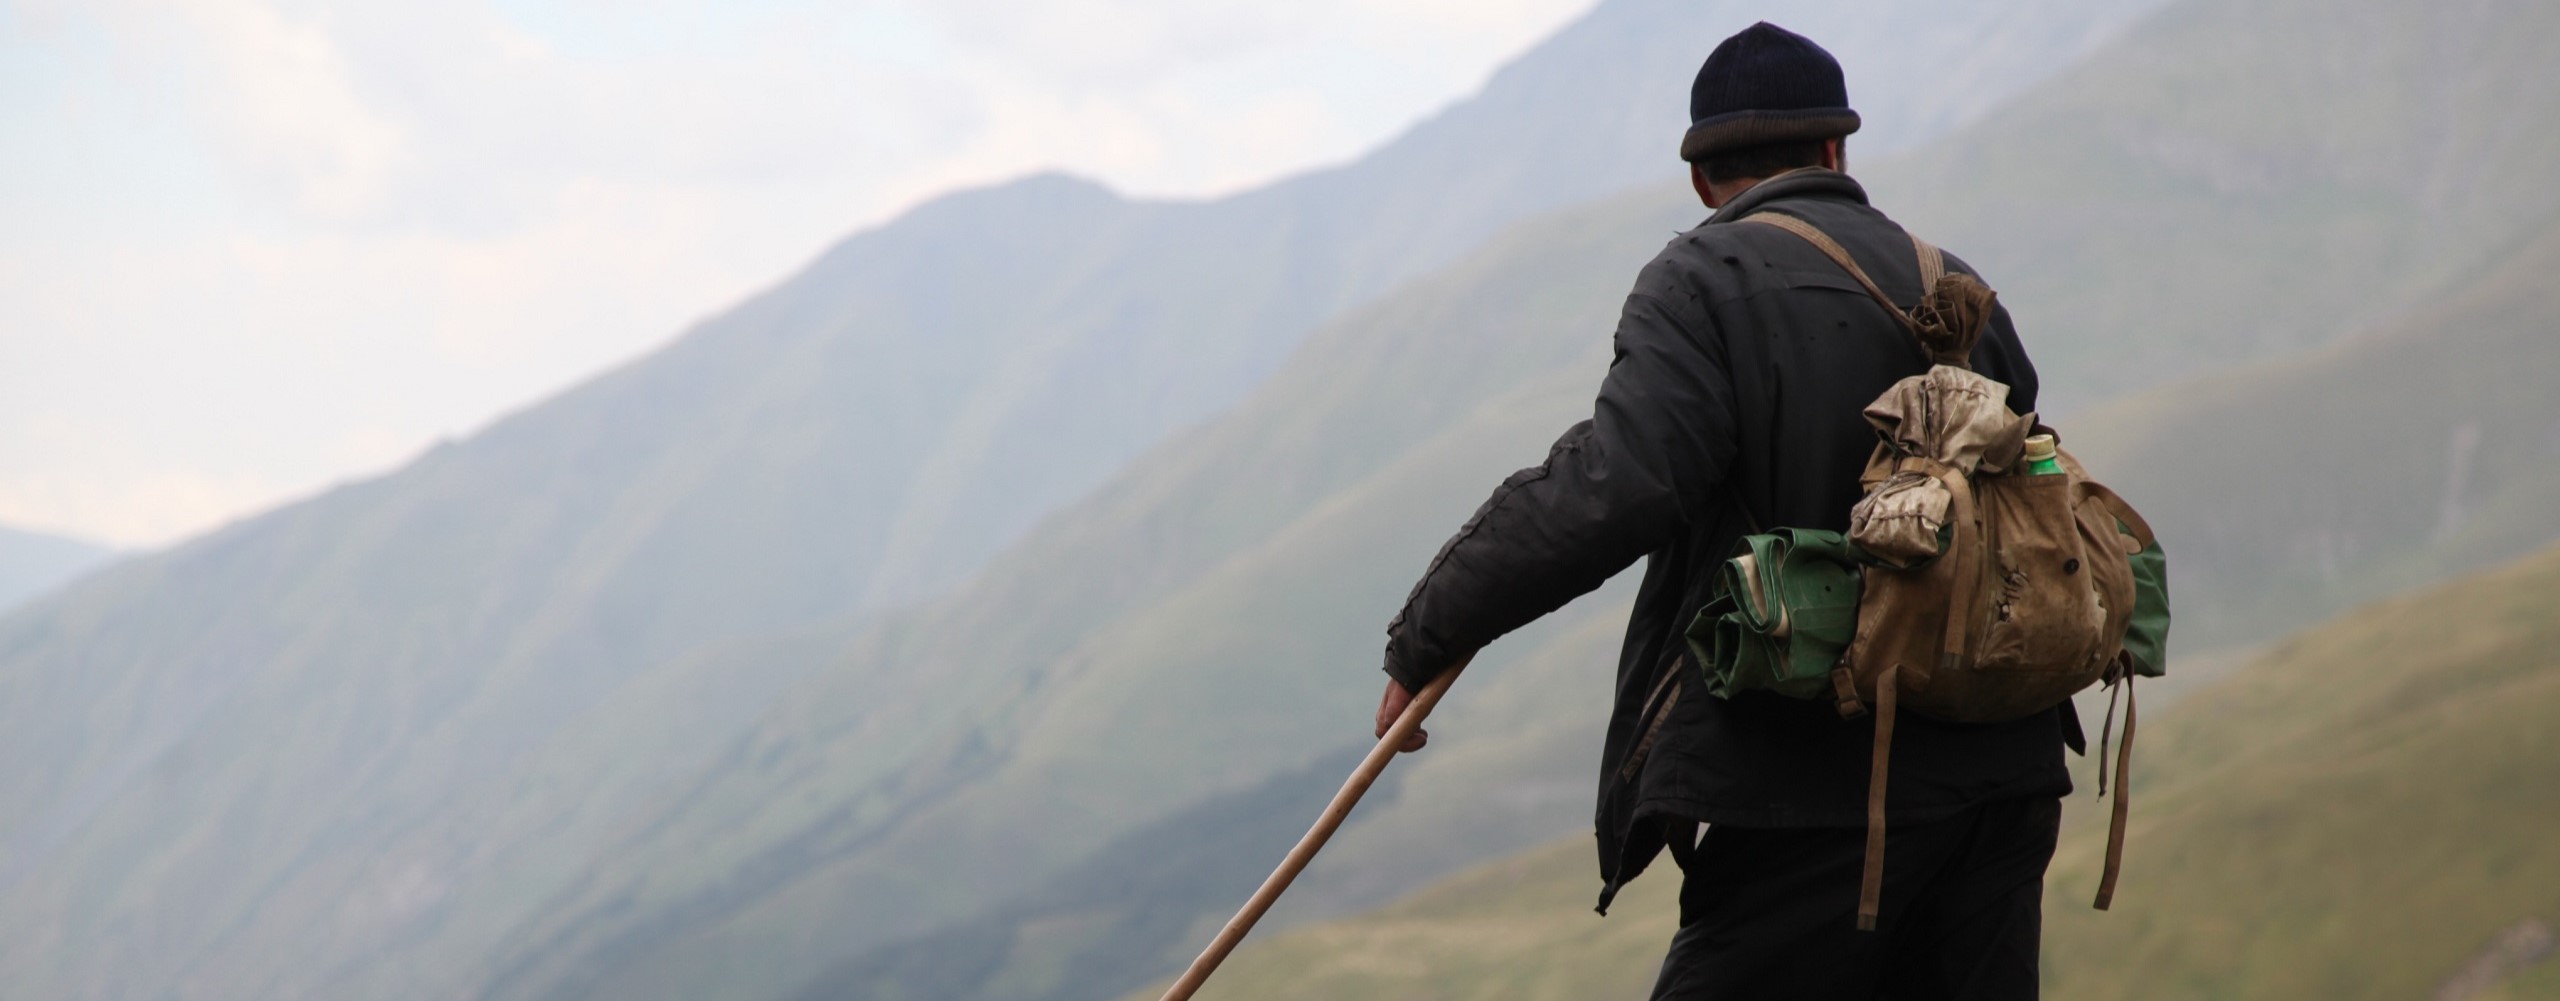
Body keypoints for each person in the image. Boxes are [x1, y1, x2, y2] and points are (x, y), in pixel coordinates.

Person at [1372, 22, 2080, 1000]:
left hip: (1817, 788)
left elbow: (1619, 482)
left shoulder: (1702, 281)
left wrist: (1427, 635)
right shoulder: (1953, 287)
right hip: (2005, 776)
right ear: (1837, 152)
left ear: (1703, 177)